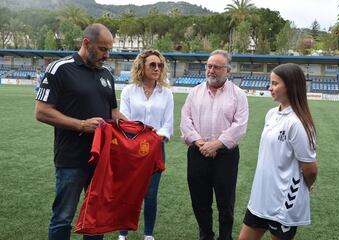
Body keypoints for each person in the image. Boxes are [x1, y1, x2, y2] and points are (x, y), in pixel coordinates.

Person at [35, 23, 126, 240]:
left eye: (109, 49)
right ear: (87, 43)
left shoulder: (106, 74)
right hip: (71, 159)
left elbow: (112, 111)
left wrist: (137, 129)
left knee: (96, 216)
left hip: (101, 159)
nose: (107, 55)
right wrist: (82, 125)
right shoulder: (60, 69)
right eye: (103, 49)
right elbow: (42, 112)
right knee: (63, 217)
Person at [238, 63, 318, 240]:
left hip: (284, 202)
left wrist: (308, 183)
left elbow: (310, 169)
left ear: (290, 86)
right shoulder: (271, 114)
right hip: (261, 197)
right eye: (270, 83)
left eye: (275, 83)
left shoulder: (298, 123)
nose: (270, 88)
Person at [180, 49, 249, 240]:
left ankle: (225, 237)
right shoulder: (194, 93)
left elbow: (240, 126)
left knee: (225, 202)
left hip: (225, 156)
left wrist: (216, 144)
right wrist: (200, 142)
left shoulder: (238, 95)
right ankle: (206, 235)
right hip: (197, 153)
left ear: (227, 70)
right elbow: (185, 121)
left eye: (217, 67)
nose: (211, 70)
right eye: (209, 66)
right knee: (199, 201)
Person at [118, 49, 174, 240]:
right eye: (152, 64)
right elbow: (124, 122)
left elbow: (167, 125)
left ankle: (148, 235)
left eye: (159, 65)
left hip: (156, 150)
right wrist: (140, 140)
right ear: (141, 66)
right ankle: (123, 233)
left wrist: (154, 140)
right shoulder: (128, 91)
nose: (157, 68)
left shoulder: (166, 93)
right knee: (128, 192)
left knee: (150, 195)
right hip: (131, 150)